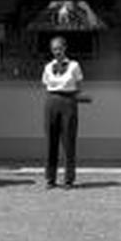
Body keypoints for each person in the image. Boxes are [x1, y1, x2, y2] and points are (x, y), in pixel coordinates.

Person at [42, 36, 83, 189]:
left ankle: (68, 179)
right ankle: (50, 178)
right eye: (54, 49)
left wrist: (69, 96)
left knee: (68, 141)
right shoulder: (47, 66)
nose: (57, 52)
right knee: (50, 141)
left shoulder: (74, 65)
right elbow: (46, 83)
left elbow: (79, 85)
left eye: (59, 48)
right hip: (51, 101)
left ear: (65, 48)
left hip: (68, 101)